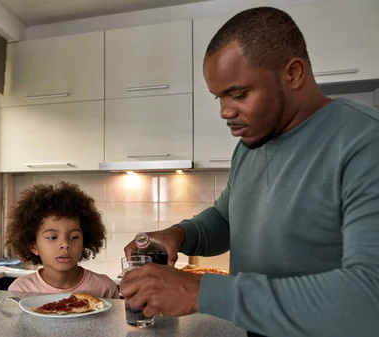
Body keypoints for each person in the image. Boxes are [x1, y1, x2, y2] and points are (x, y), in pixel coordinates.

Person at [120, 6, 379, 337]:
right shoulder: (250, 147)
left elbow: (369, 298)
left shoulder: (363, 141)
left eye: (238, 94)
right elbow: (227, 219)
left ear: (293, 73)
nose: (225, 111)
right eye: (219, 97)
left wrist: (198, 291)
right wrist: (177, 235)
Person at [6, 181, 119, 299]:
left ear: (84, 241)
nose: (65, 244)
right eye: (52, 237)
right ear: (33, 246)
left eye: (74, 237)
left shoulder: (105, 288)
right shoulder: (20, 290)